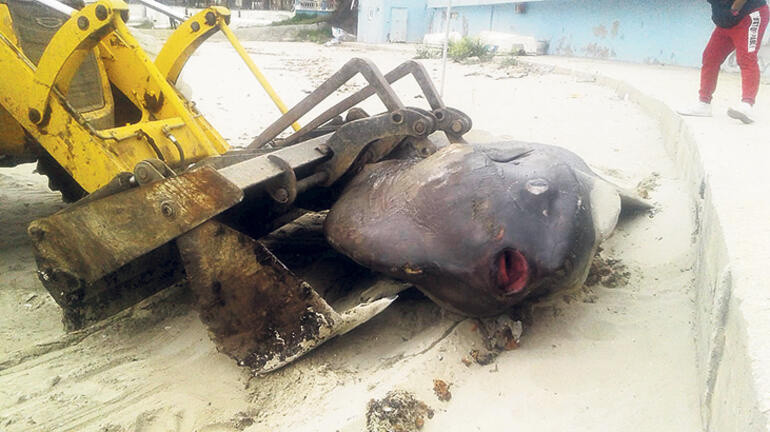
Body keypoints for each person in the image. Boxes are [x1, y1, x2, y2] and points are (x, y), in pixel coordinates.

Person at [678, 0, 769, 123]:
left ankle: (747, 105)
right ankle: (704, 104)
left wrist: (734, 9)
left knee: (746, 58)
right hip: (726, 21)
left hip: (750, 15)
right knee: (710, 57)